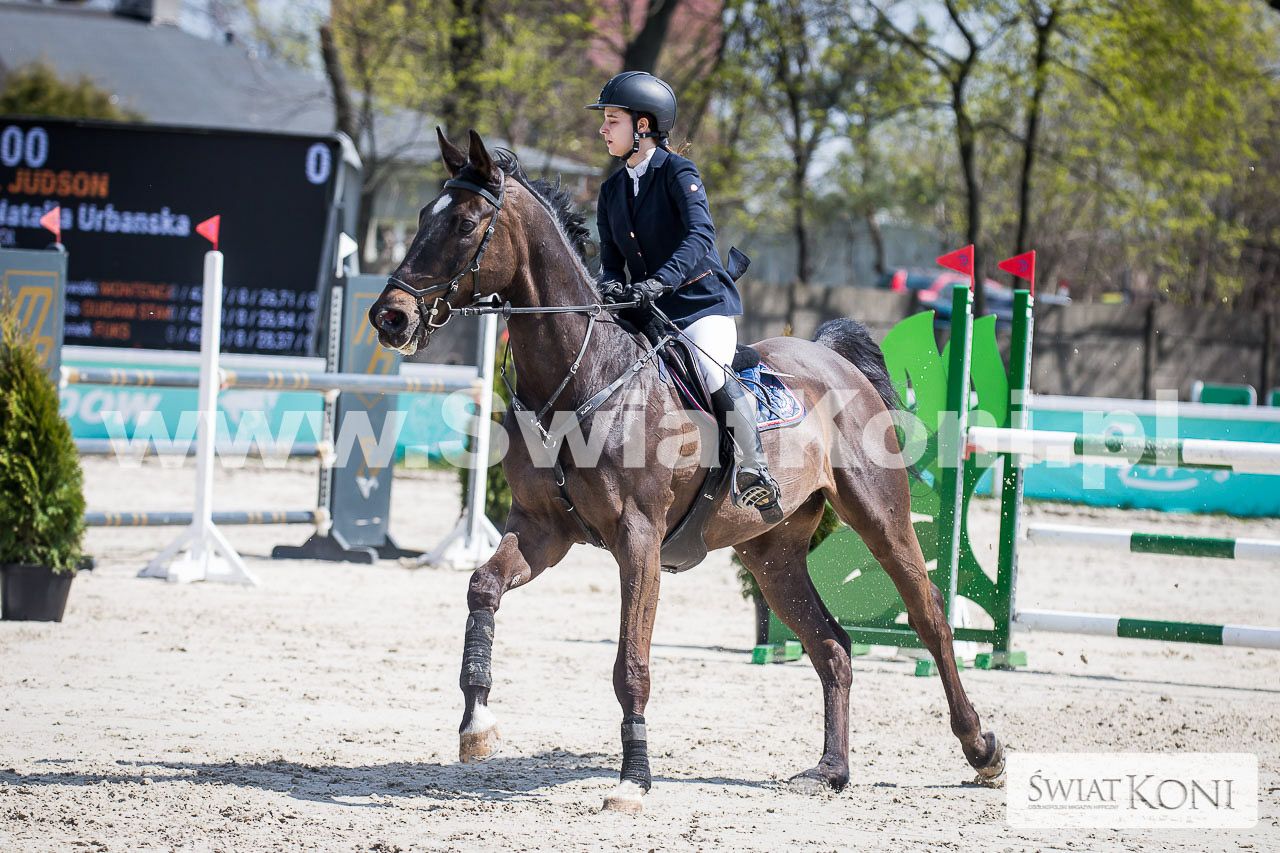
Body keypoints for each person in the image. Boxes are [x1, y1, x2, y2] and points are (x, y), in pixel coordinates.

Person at [587, 71, 781, 521]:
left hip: (699, 305)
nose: (602, 129)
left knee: (711, 371)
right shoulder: (611, 190)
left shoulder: (678, 172)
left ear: (642, 126)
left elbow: (699, 236)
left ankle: (754, 469)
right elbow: (611, 259)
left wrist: (659, 281)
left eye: (612, 120)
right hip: (647, 311)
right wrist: (611, 283)